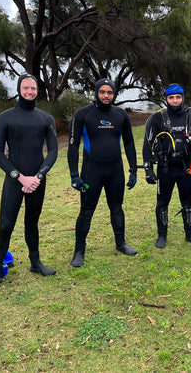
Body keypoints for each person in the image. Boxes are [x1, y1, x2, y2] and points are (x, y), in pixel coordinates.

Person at [0, 74, 58, 298]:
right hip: (15, 181)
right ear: (19, 89)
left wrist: (38, 176)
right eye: (26, 88)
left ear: (37, 90)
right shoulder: (5, 118)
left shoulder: (46, 118)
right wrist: (20, 177)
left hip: (37, 181)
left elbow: (52, 151)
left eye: (33, 88)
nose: (30, 92)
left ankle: (35, 262)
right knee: (5, 225)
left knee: (32, 223)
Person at [67, 78, 139, 267]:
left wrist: (133, 169)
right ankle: (79, 251)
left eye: (110, 92)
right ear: (97, 93)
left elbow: (129, 142)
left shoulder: (121, 115)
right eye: (102, 92)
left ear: (114, 94)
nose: (106, 96)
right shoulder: (83, 114)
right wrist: (74, 175)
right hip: (92, 170)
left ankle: (121, 243)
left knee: (117, 207)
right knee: (86, 210)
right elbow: (73, 146)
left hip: (115, 170)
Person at [142, 84, 191, 248]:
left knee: (187, 202)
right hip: (165, 168)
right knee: (162, 202)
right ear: (166, 98)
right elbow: (147, 144)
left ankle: (190, 235)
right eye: (171, 97)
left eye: (178, 97)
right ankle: (162, 236)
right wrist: (148, 169)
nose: (175, 100)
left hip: (186, 168)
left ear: (182, 98)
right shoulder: (157, 118)